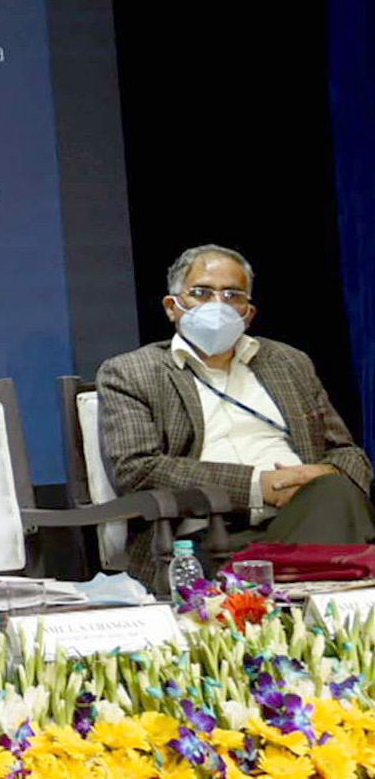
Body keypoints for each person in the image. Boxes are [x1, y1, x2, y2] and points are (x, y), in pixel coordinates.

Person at [98, 244, 375, 591]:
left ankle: (262, 593)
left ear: (248, 313)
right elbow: (136, 470)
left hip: (305, 514)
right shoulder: (131, 371)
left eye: (232, 295)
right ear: (172, 306)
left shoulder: (289, 363)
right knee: (339, 508)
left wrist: (317, 474)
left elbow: (350, 456)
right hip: (205, 538)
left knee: (336, 490)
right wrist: (257, 487)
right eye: (201, 293)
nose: (218, 305)